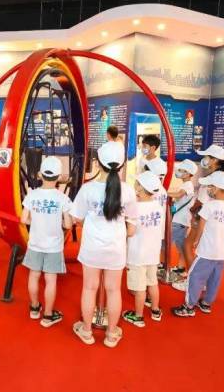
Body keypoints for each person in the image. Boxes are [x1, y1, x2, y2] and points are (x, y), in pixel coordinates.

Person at [70, 142, 137, 348]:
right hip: (116, 249)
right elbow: (132, 229)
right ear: (122, 165)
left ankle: (86, 331)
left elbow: (76, 218)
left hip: (92, 248)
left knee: (89, 288)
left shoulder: (87, 189)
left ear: (97, 163)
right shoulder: (128, 191)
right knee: (114, 290)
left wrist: (91, 225)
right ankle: (111, 334)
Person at [20, 157, 73, 328]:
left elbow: (23, 219)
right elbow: (68, 224)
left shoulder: (32, 195)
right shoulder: (62, 198)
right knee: (51, 280)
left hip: (35, 244)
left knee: (34, 276)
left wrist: (35, 222)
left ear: (40, 175)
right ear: (59, 177)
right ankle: (48, 315)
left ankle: (34, 308)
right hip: (54, 247)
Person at [172, 171, 224, 318]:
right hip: (221, 252)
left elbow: (201, 226)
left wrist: (195, 240)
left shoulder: (209, 206)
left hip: (206, 251)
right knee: (214, 279)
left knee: (195, 276)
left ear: (216, 188)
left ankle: (188, 306)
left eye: (210, 186)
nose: (208, 189)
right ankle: (206, 303)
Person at [123, 171, 165, 328]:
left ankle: (138, 316)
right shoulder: (158, 207)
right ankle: (155, 310)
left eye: (137, 183)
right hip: (153, 253)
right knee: (152, 282)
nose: (135, 185)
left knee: (140, 287)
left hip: (137, 254)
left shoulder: (135, 208)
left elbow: (130, 232)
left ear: (140, 188)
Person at [183, 144, 224, 273]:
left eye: (207, 157)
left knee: (188, 245)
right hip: (213, 221)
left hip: (202, 217)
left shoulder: (212, 179)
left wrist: (193, 213)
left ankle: (193, 277)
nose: (204, 159)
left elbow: (201, 201)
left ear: (215, 160)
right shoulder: (222, 176)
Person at [167, 159, 198, 282]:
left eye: (182, 170)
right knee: (181, 246)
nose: (178, 172)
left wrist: (163, 193)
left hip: (179, 221)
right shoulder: (186, 184)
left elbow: (179, 195)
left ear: (188, 173)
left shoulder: (188, 185)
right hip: (181, 220)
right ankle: (180, 268)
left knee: (166, 244)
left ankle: (163, 266)